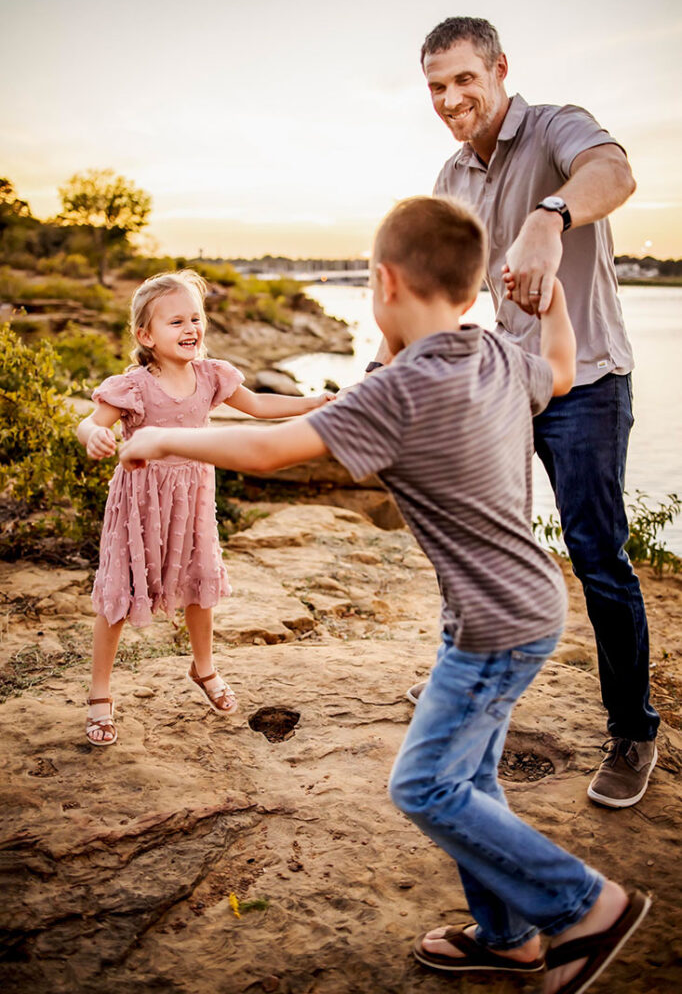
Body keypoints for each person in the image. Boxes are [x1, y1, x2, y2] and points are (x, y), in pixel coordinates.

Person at [119, 199, 650, 994]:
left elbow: (267, 449)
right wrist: (557, 299)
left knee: (425, 785)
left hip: (493, 627)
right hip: (522, 606)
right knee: (471, 779)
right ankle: (506, 937)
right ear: (473, 291)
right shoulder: (500, 356)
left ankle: (584, 907)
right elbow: (566, 369)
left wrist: (160, 438)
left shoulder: (396, 391)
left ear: (383, 281)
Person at [395, 16, 658, 810]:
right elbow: (448, 289)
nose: (450, 99)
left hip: (587, 385)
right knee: (476, 546)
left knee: (597, 554)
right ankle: (466, 695)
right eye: (437, 87)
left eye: (464, 80)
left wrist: (550, 218)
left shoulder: (556, 129)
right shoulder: (450, 176)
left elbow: (614, 172)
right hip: (504, 381)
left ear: (500, 68)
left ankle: (633, 731)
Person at [76, 268, 332, 747]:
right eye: (175, 322)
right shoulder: (132, 386)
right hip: (141, 504)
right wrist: (96, 436)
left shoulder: (212, 375)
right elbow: (89, 424)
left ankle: (204, 667)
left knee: (200, 583)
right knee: (119, 591)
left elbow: (257, 405)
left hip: (192, 500)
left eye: (195, 317)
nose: (191, 328)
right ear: (145, 335)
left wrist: (312, 402)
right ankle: (100, 693)